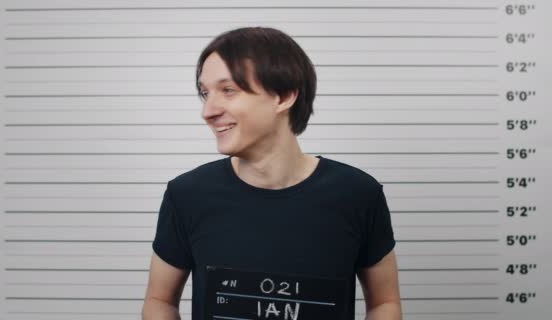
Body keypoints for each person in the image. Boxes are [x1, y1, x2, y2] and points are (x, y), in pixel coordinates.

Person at [142, 26, 401, 320]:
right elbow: (159, 300)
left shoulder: (358, 194)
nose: (208, 111)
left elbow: (384, 304)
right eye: (205, 93)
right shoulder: (186, 195)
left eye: (228, 90)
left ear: (284, 95)